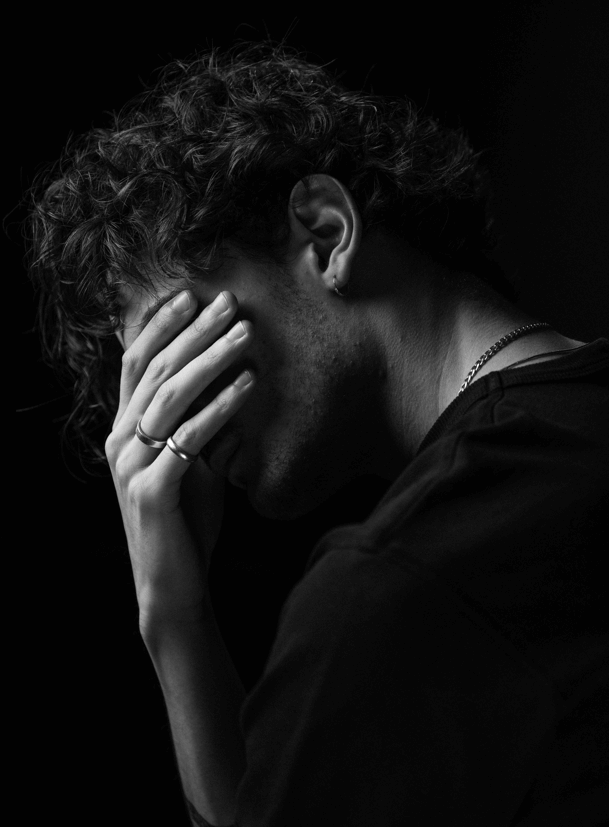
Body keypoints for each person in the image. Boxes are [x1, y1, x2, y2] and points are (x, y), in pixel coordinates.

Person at [26, 42, 609, 826]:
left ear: (326, 232)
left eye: (174, 353)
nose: (160, 426)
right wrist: (176, 618)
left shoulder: (395, 586)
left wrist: (167, 611)